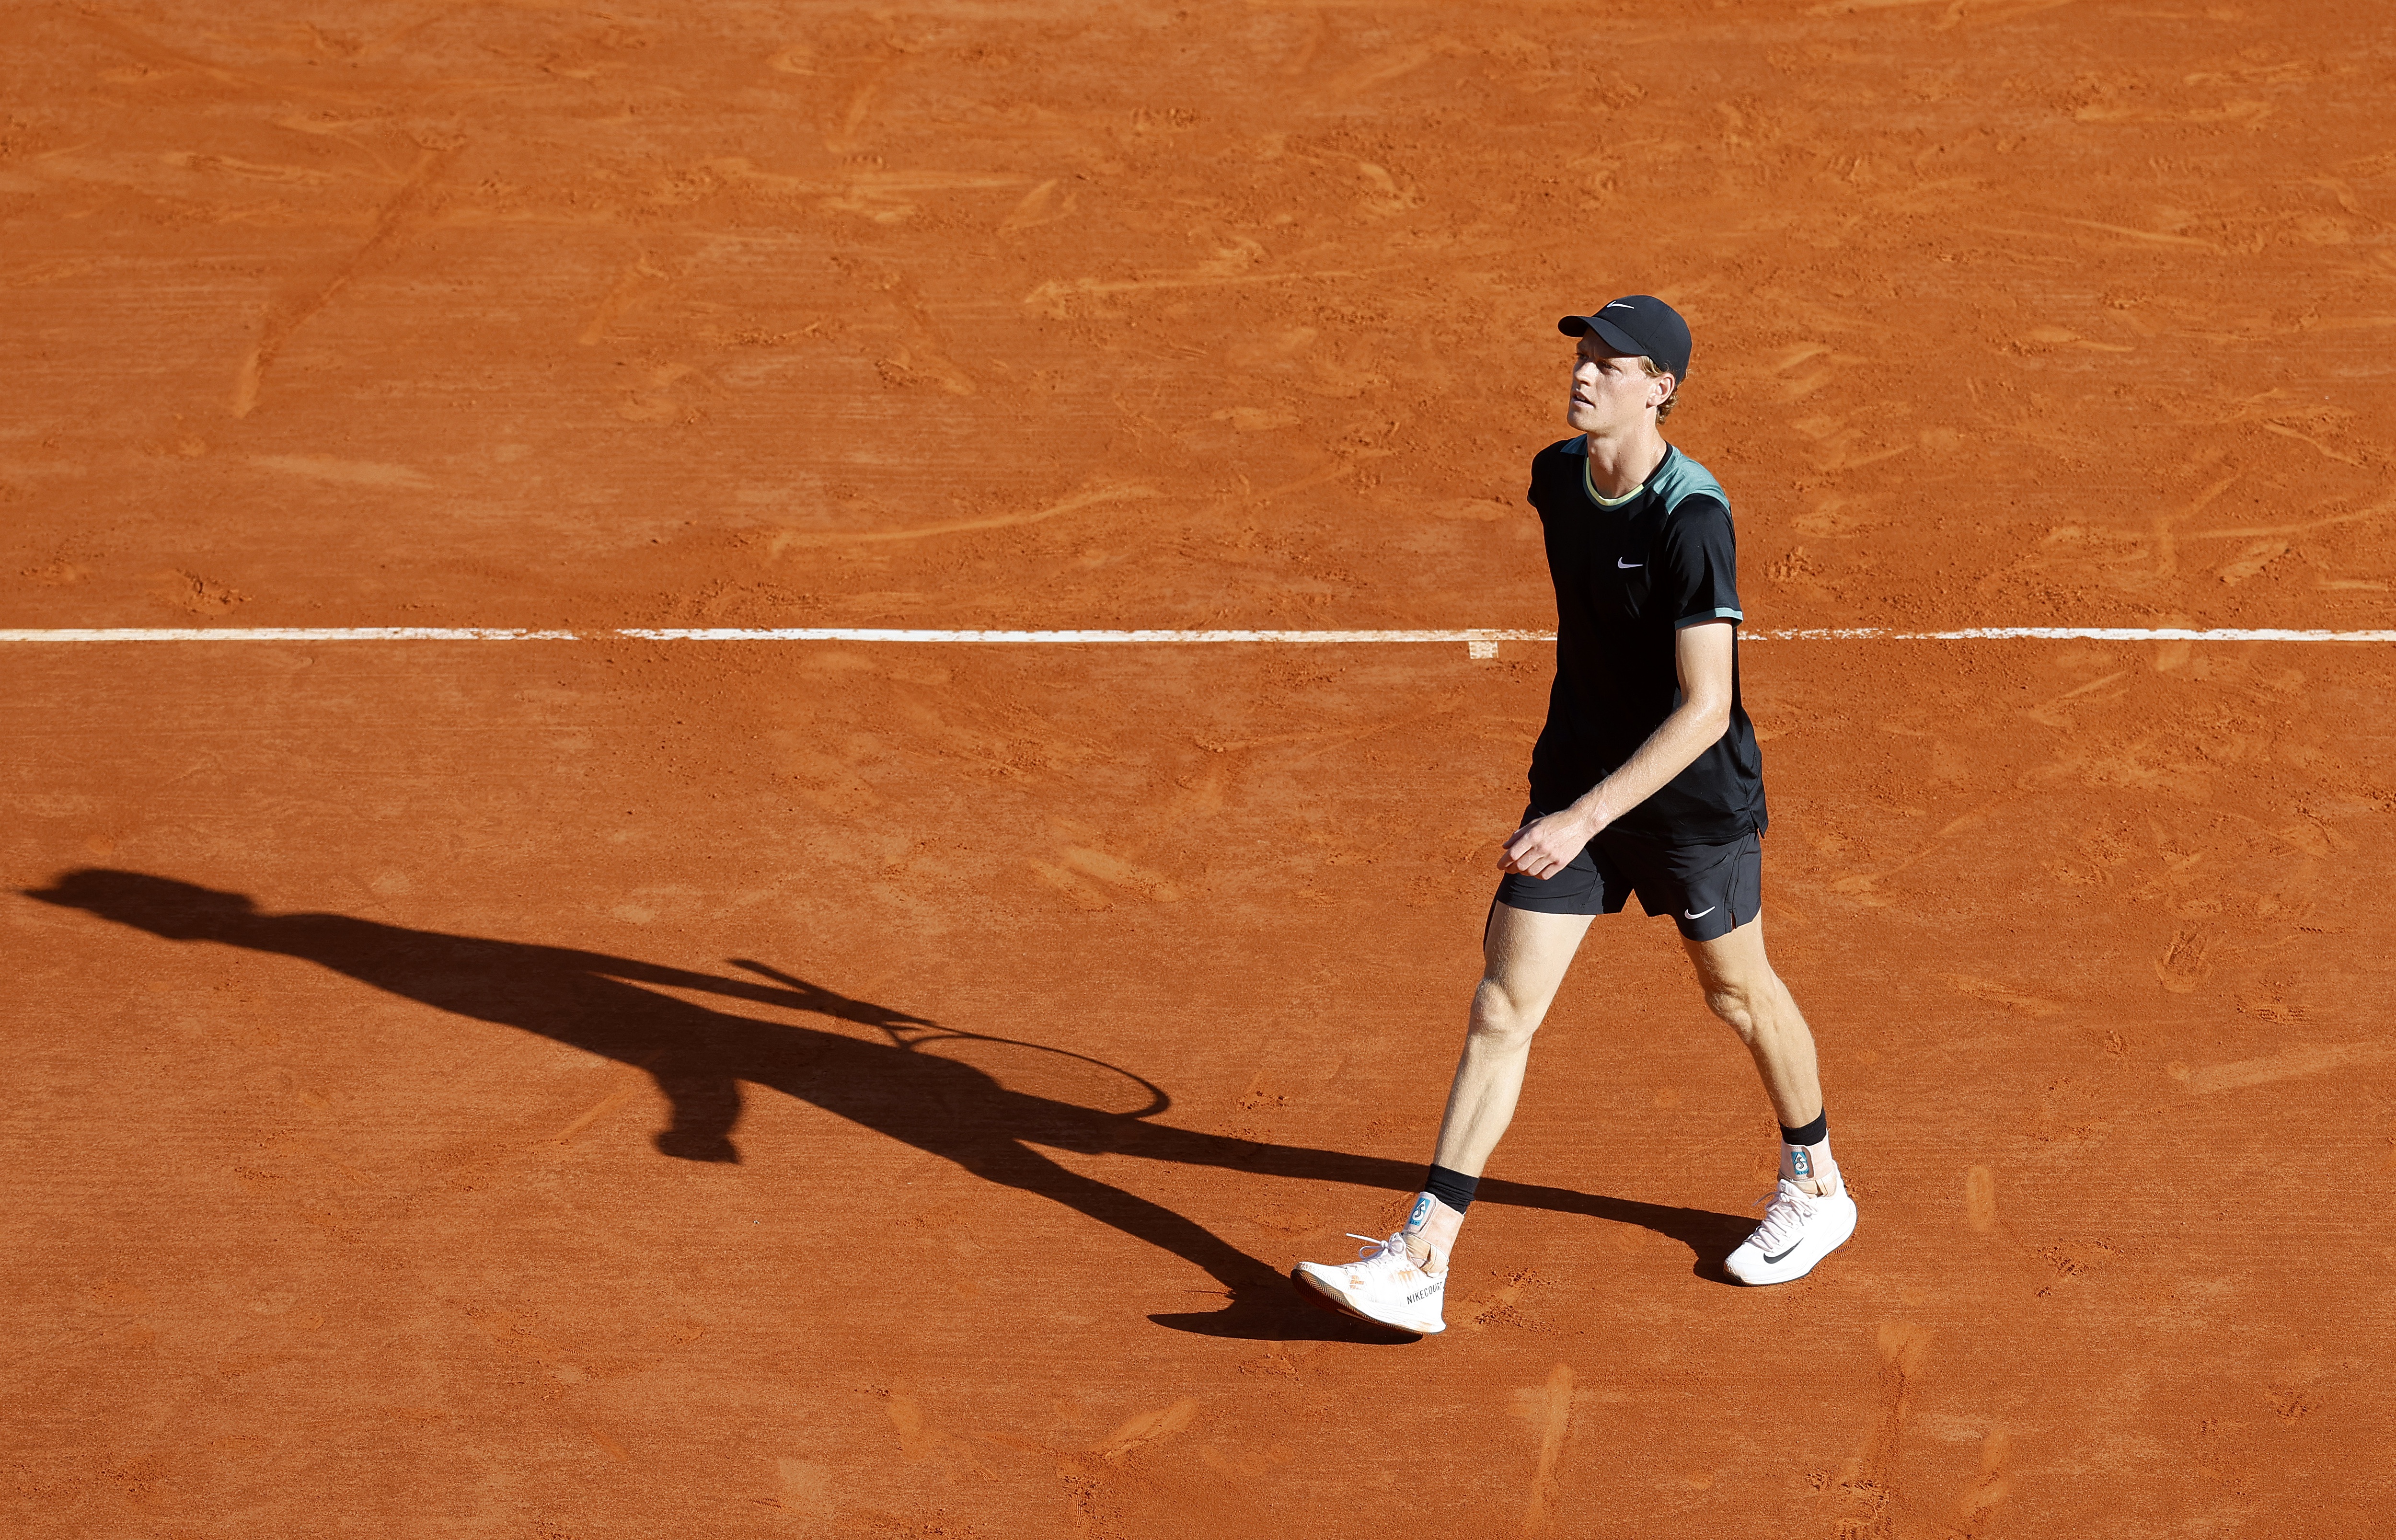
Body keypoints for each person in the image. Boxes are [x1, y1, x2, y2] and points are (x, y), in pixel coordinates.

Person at [1291, 296, 1856, 1335]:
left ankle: (1815, 1181)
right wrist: (1575, 804)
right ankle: (1421, 1257)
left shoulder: (1692, 519)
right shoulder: (1557, 478)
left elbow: (1707, 707)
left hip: (1689, 806)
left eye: (1613, 362)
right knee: (1502, 1007)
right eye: (1584, 356)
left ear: (1662, 388)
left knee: (1737, 993)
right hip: (1578, 782)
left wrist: (1584, 816)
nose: (1585, 374)